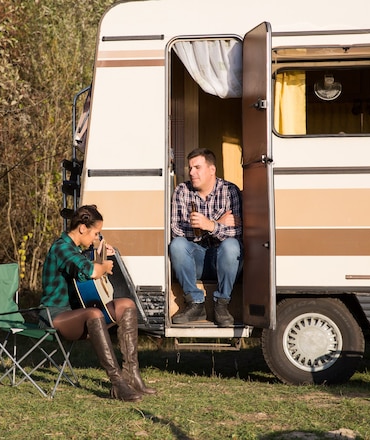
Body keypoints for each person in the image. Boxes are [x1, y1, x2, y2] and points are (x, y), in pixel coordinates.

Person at [40, 204, 156, 402]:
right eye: (96, 233)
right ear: (82, 228)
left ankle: (131, 374)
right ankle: (118, 383)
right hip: (55, 314)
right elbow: (90, 271)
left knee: (126, 304)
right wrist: (103, 266)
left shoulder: (74, 249)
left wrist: (99, 253)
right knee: (93, 314)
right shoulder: (61, 248)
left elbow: (81, 266)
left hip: (75, 314)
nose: (97, 238)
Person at [170, 148, 242, 327]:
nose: (192, 172)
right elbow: (176, 231)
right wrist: (217, 223)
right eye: (190, 168)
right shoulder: (182, 191)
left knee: (232, 246)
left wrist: (209, 225)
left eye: (197, 167)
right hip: (196, 261)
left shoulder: (229, 190)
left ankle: (222, 305)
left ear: (212, 170)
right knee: (177, 245)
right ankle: (195, 303)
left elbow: (238, 233)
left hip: (224, 261)